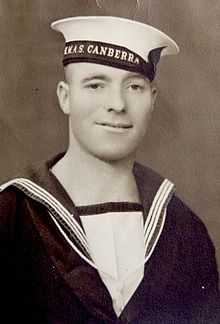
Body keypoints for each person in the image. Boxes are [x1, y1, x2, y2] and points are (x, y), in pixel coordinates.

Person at [0, 15, 220, 324]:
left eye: (134, 86)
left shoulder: (183, 230)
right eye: (95, 85)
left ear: (153, 100)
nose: (117, 103)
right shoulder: (11, 218)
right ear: (65, 96)